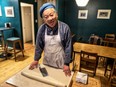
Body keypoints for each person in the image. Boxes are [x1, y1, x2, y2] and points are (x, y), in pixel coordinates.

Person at [29, 2, 72, 76]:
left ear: (56, 14)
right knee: (47, 81)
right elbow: (38, 47)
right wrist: (36, 60)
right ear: (44, 19)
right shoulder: (41, 29)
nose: (50, 18)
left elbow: (68, 47)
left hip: (61, 64)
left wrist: (66, 63)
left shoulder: (65, 28)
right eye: (46, 17)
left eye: (51, 15)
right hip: (47, 63)